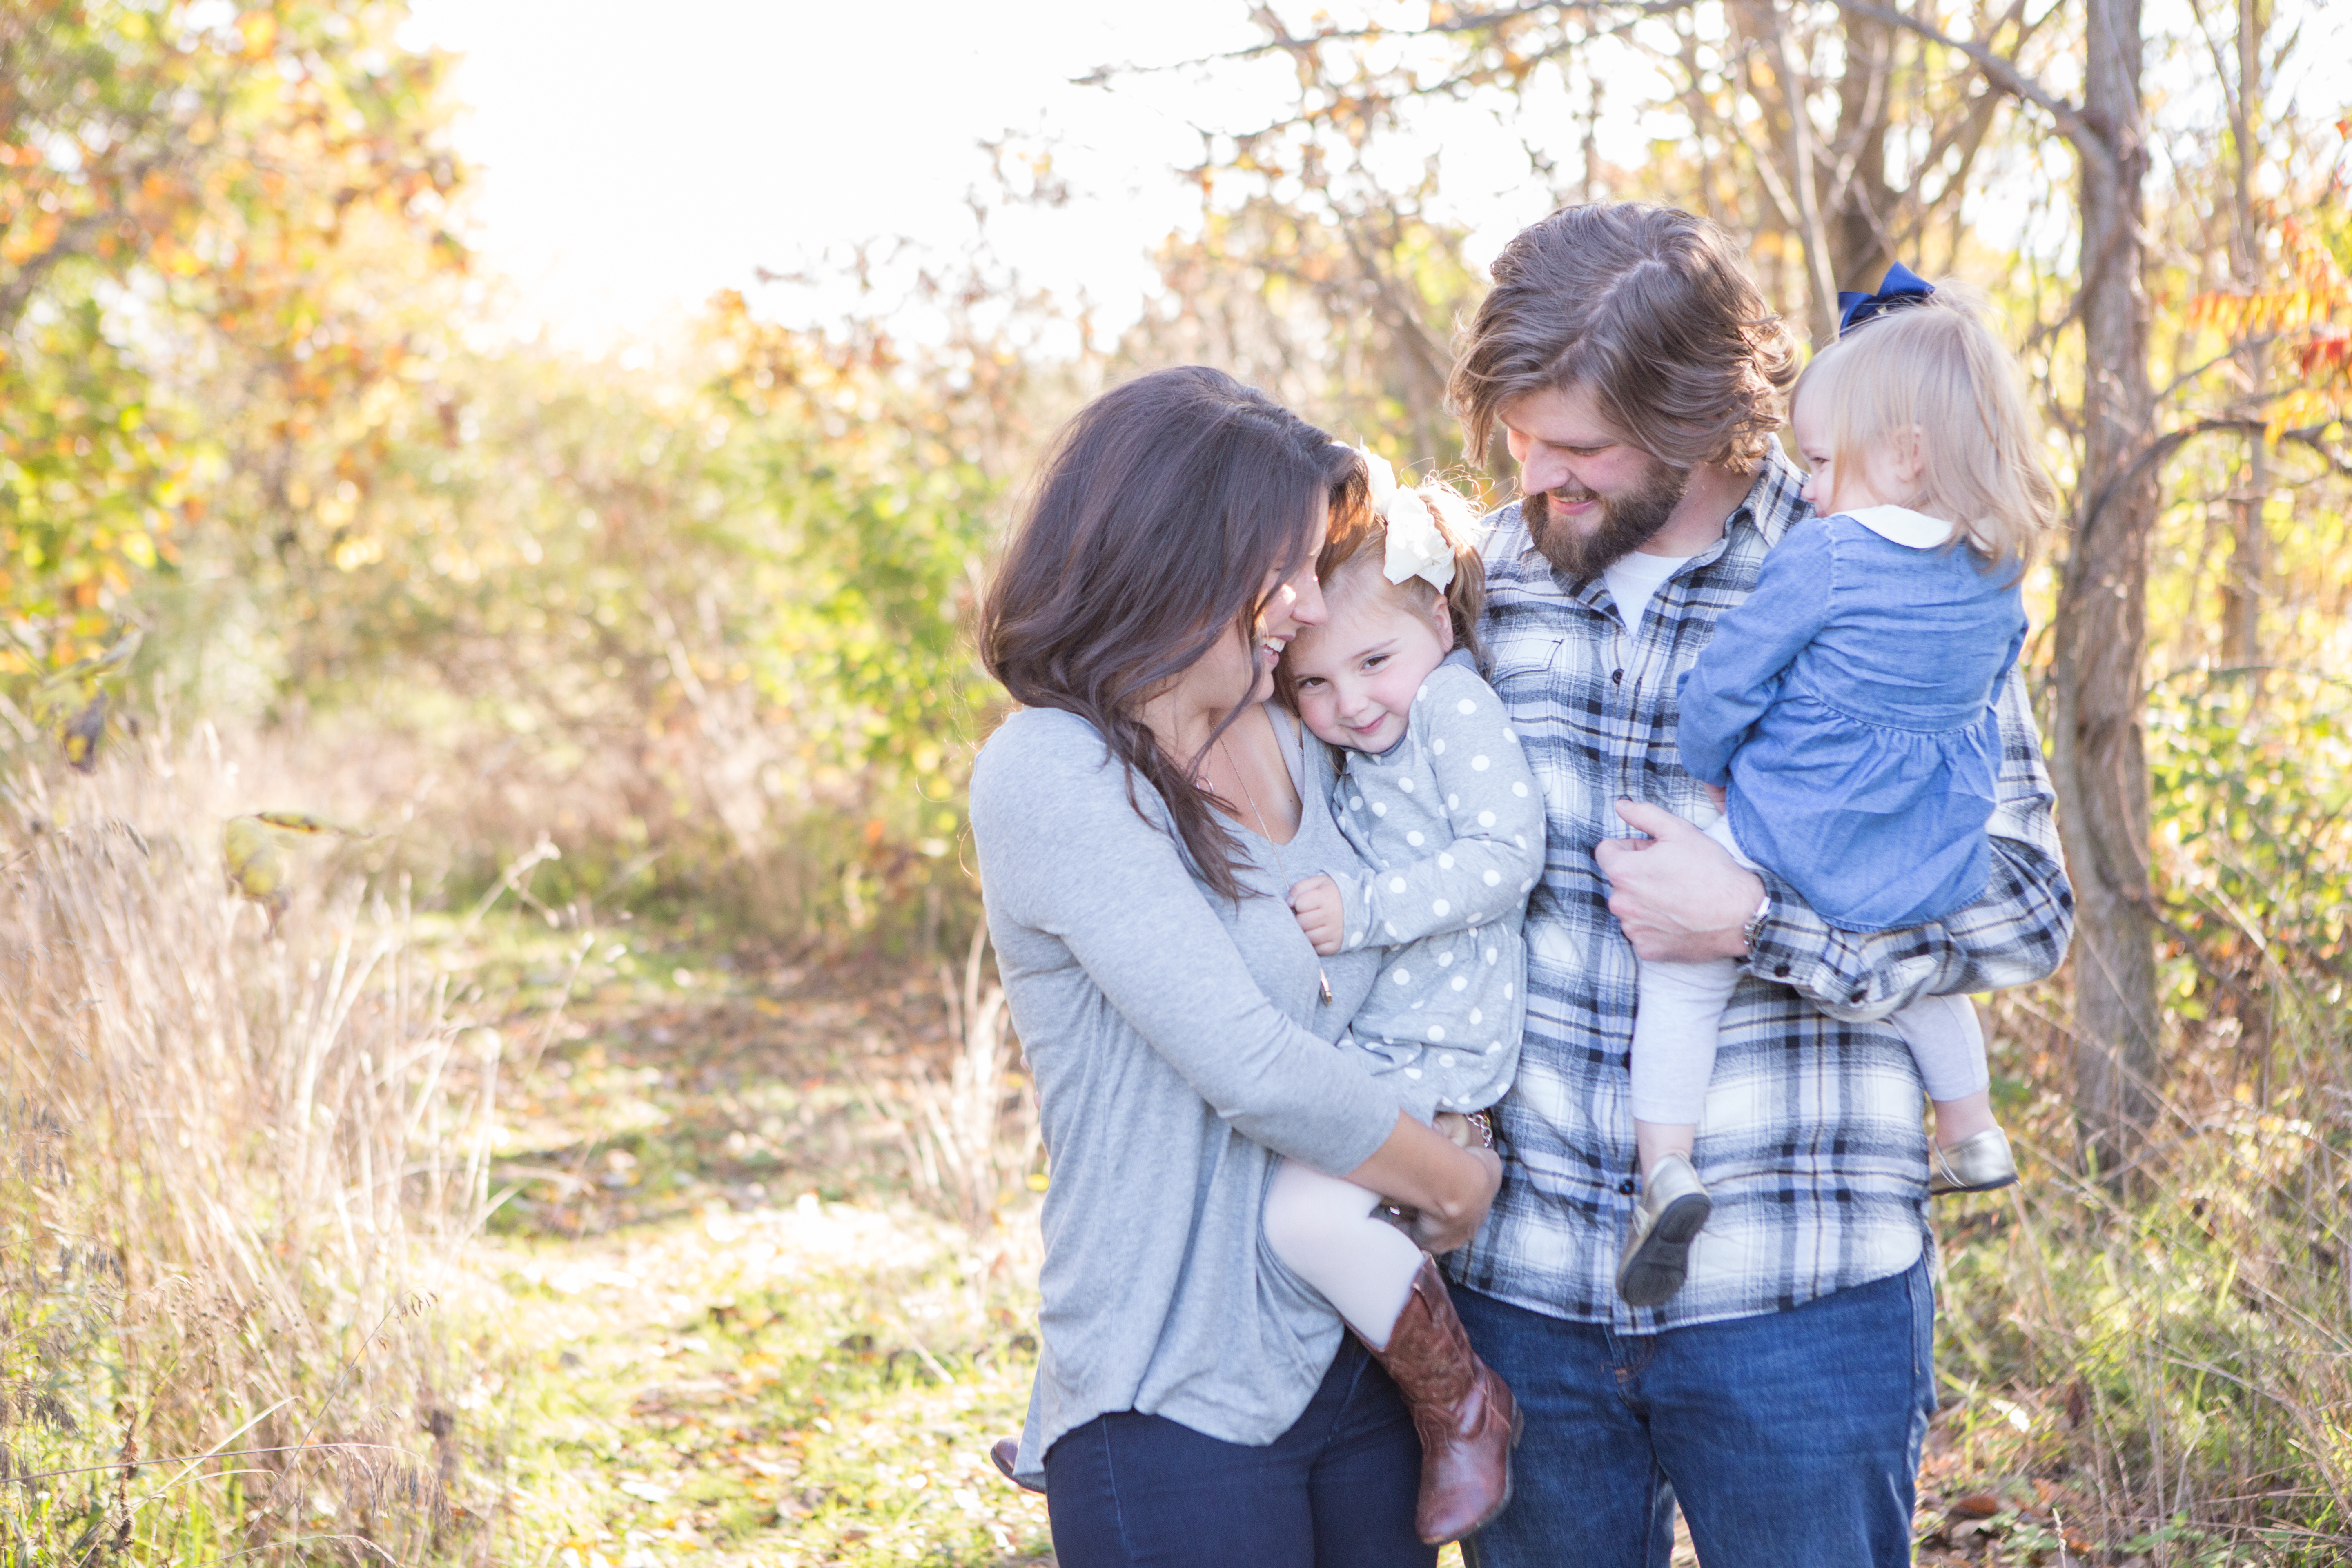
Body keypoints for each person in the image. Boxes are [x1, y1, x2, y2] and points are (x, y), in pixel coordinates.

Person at [1440, 203, 2075, 1568]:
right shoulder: (1470, 592)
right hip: (1525, 1303)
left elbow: (2027, 901)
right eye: (1523, 437)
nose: (1541, 475)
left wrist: (1762, 927)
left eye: (1583, 448)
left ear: (1701, 422)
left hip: (1801, 1309)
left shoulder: (1905, 573)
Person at [970, 365, 1507, 1568]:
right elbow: (1252, 1065)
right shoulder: (1052, 773)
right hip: (1173, 1385)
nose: (1306, 604)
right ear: (1179, 558)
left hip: (1357, 1356)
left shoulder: (1299, 734)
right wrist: (1456, 1184)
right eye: (1286, 569)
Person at [1617, 271, 2057, 1308]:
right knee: (1925, 982)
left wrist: (1714, 765)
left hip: (1792, 828)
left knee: (1680, 975)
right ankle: (1971, 1129)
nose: (1805, 487)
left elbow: (1734, 678)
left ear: (1903, 455)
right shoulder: (1995, 575)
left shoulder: (1823, 555)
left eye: (1820, 462)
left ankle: (1665, 1168)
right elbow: (1985, 702)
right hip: (1923, 848)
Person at [1263, 450, 1547, 1541]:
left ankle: (1466, 1408)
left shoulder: (1455, 706)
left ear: (1439, 617)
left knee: (1301, 1215)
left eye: (1375, 661)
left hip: (1442, 1049)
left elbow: (1505, 856)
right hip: (1384, 1041)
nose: (1351, 702)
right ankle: (1119, 1422)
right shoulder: (1366, 734)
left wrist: (1365, 910)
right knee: (1254, 1201)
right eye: (1317, 684)